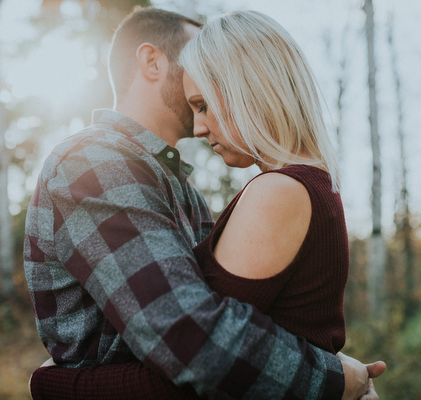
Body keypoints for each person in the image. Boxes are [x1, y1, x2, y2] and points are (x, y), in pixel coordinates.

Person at [25, 6, 385, 400]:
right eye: (197, 52)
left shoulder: (191, 190)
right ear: (151, 62)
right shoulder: (96, 163)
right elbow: (195, 342)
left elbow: (210, 344)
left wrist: (50, 385)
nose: (205, 65)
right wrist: (334, 377)